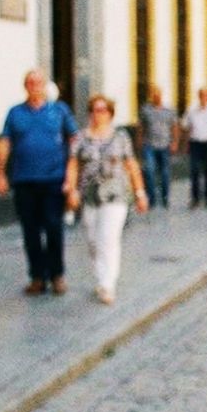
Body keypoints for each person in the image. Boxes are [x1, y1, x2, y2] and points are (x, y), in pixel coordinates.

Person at [0, 68, 79, 296]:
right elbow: (5, 142)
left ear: (44, 86)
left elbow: (74, 139)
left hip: (53, 179)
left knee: (53, 228)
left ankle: (57, 275)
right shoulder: (15, 113)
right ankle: (37, 277)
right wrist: (0, 173)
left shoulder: (59, 110)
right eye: (30, 83)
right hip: (24, 180)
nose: (34, 86)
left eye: (38, 82)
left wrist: (72, 176)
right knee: (30, 231)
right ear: (25, 86)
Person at [66, 96, 148, 305]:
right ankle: (100, 277)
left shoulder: (121, 137)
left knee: (109, 239)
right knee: (93, 240)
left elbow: (131, 165)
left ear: (110, 113)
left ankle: (107, 284)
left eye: (102, 110)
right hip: (90, 195)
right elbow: (74, 164)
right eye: (94, 110)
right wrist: (72, 190)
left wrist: (140, 193)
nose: (97, 114)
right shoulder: (81, 138)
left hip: (116, 194)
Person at [180, 87, 207, 209]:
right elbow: (185, 127)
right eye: (201, 95)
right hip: (195, 143)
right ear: (198, 96)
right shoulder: (192, 110)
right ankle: (195, 198)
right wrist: (185, 144)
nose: (203, 98)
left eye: (206, 95)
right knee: (194, 170)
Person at [138, 86, 176, 209]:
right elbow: (141, 126)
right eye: (154, 94)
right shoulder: (145, 110)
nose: (156, 97)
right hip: (150, 145)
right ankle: (151, 198)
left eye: (158, 94)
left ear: (161, 96)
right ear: (151, 96)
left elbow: (174, 126)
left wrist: (174, 142)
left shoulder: (168, 110)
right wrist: (139, 141)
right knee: (149, 171)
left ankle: (165, 197)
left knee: (165, 173)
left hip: (165, 145)